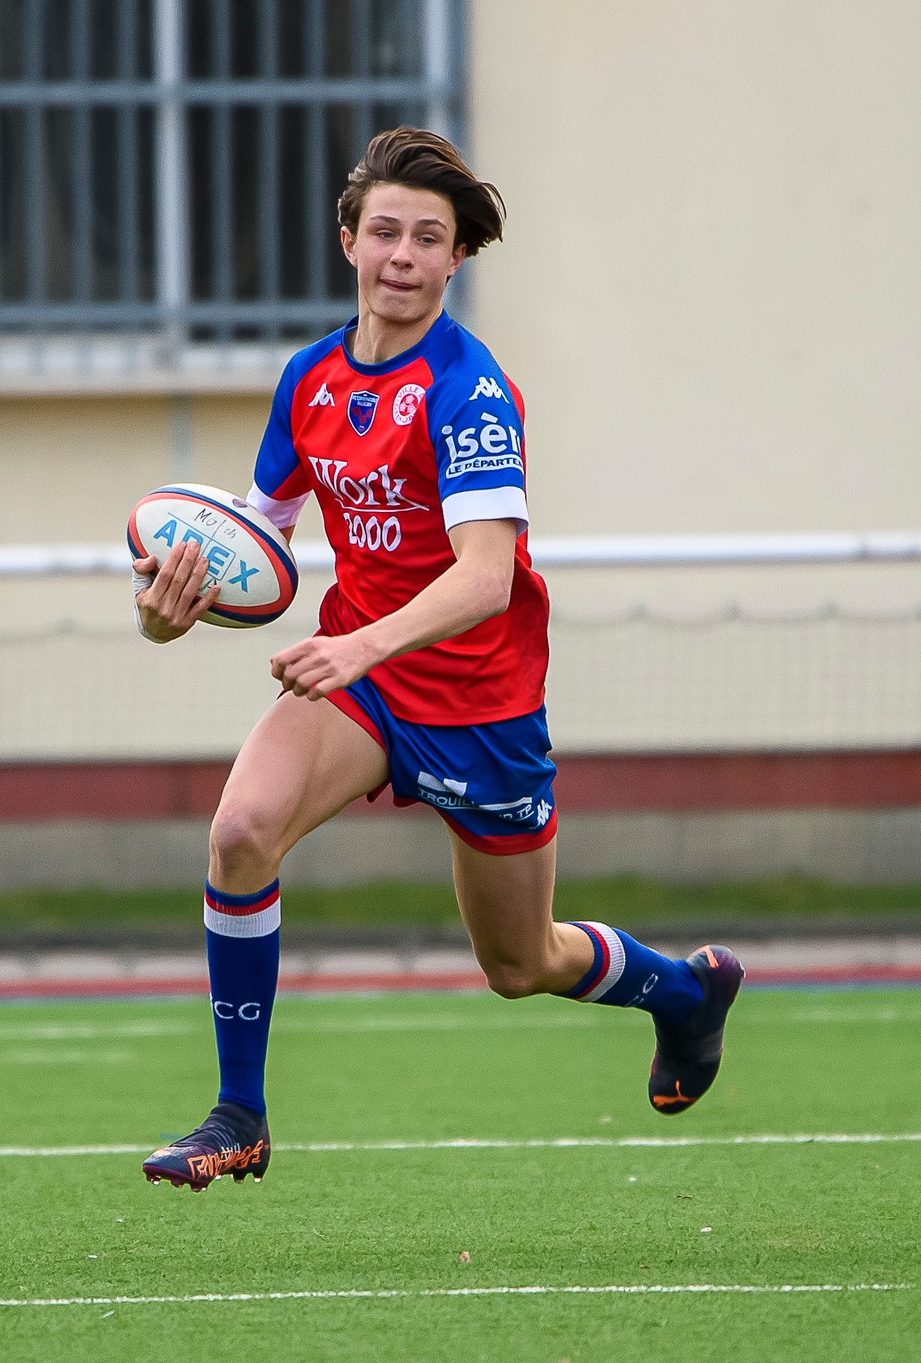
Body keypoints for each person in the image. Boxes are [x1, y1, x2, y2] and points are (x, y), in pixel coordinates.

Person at [132, 128, 742, 1192]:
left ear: (455, 259)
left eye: (429, 237)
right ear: (348, 242)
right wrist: (167, 609)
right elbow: (259, 543)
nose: (403, 254)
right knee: (239, 834)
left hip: (477, 702)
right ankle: (240, 1114)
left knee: (521, 965)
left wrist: (352, 642)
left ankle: (683, 995)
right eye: (386, 232)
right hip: (361, 689)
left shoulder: (468, 388)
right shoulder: (310, 379)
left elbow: (484, 579)